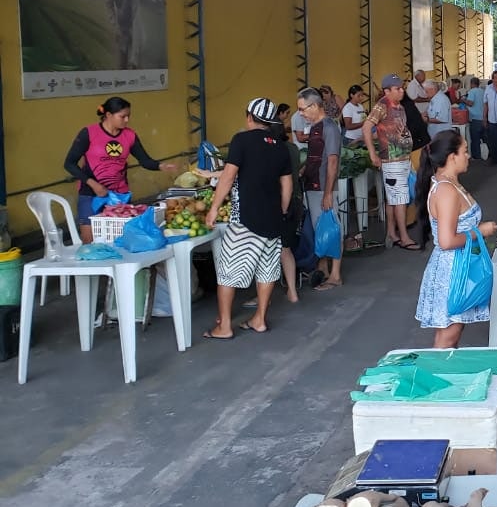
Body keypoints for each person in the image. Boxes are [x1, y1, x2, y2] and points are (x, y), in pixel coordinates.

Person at [202, 98, 293, 339]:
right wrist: (282, 210)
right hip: (273, 219)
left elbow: (228, 176)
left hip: (246, 219)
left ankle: (224, 327)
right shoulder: (280, 146)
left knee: (227, 273)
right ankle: (259, 319)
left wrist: (214, 208)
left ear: (249, 117)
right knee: (267, 270)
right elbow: (287, 184)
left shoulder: (241, 140)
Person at [416, 131, 497, 347]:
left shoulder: (450, 184)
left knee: (451, 334)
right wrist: (480, 231)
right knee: (448, 337)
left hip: (460, 265)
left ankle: (443, 368)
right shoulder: (446, 191)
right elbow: (446, 241)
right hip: (453, 270)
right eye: (465, 151)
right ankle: (435, 370)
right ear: (452, 157)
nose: (468, 156)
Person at [63, 96, 180, 243]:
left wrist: (160, 166)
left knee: (120, 239)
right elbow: (69, 164)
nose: (127, 120)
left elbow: (145, 160)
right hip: (90, 193)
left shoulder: (129, 135)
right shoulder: (89, 133)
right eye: (122, 116)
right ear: (108, 115)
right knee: (90, 240)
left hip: (119, 195)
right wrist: (93, 184)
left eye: (128, 116)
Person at [297, 87, 344, 291]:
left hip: (324, 187)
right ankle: (323, 269)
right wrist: (303, 169)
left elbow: (332, 161)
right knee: (319, 229)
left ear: (315, 106)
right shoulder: (314, 127)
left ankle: (336, 275)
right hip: (312, 185)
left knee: (332, 228)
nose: (301, 113)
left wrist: (328, 193)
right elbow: (316, 157)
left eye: (303, 109)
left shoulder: (329, 127)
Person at [363, 74, 417, 250]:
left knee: (393, 198)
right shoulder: (382, 105)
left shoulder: (400, 107)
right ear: (387, 91)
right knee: (400, 198)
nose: (401, 91)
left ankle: (392, 233)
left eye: (402, 88)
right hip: (392, 161)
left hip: (403, 159)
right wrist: (373, 154)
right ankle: (404, 237)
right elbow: (366, 127)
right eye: (397, 89)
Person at [465, 77, 486, 160]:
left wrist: (463, 100)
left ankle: (477, 156)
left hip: (475, 118)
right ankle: (486, 154)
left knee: (475, 139)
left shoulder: (472, 91)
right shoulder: (483, 91)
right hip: (483, 118)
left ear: (471, 84)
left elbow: (470, 103)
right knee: (484, 138)